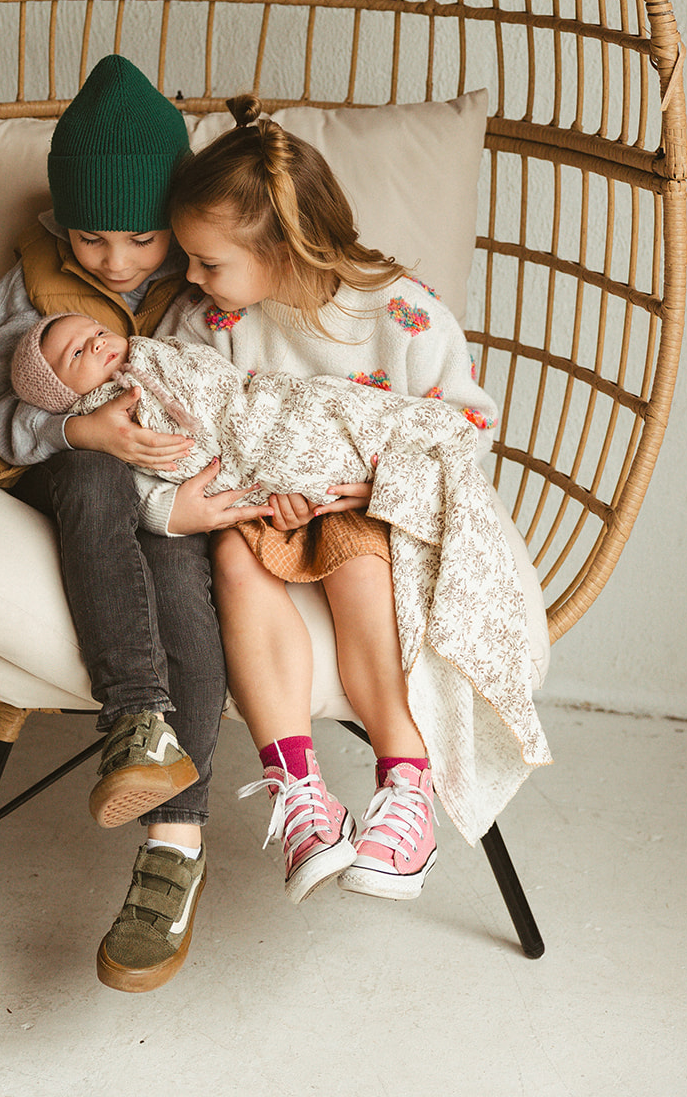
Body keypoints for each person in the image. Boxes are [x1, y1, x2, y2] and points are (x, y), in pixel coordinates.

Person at [155, 94, 550, 906]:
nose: (188, 276)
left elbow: (463, 427)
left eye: (207, 262)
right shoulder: (207, 322)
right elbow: (180, 407)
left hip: (365, 507)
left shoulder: (401, 314)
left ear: (284, 247)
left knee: (361, 565)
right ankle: (300, 793)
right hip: (262, 508)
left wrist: (381, 487)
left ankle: (406, 787)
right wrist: (256, 492)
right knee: (233, 556)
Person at [0, 56, 264, 992]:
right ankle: (136, 718)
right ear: (63, 221)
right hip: (68, 479)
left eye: (141, 237)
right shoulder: (31, 278)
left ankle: (175, 845)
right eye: (91, 237)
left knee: (177, 574)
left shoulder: (204, 277)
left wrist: (194, 495)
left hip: (178, 497)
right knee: (96, 475)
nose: (117, 262)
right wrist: (75, 429)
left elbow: (250, 394)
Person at [9, 311, 502, 548]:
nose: (98, 344)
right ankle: (412, 473)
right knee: (313, 466)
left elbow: (217, 376)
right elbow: (139, 481)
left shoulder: (156, 347)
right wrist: (167, 512)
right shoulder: (102, 418)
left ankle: (431, 449)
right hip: (243, 467)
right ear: (60, 392)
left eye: (97, 332)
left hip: (267, 408)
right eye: (78, 353)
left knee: (337, 408)